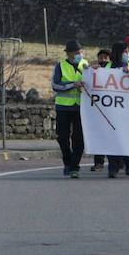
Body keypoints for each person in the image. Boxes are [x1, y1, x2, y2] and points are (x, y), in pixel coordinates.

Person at [51, 40, 89, 178]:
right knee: (62, 137)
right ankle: (67, 162)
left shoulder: (85, 65)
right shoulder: (60, 66)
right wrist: (73, 85)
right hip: (63, 107)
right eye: (76, 52)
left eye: (80, 52)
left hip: (80, 107)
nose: (79, 54)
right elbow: (56, 85)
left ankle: (74, 167)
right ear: (69, 53)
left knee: (79, 138)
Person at [106, 42, 129, 178]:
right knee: (113, 139)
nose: (127, 54)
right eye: (125, 51)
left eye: (128, 51)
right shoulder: (107, 67)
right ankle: (113, 167)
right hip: (112, 110)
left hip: (128, 110)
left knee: (126, 138)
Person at [90, 48, 113, 172]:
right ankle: (98, 162)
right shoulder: (94, 69)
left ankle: (114, 162)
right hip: (98, 108)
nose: (103, 60)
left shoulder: (113, 68)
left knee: (111, 136)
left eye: (106, 57)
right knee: (99, 136)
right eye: (101, 57)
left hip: (112, 109)